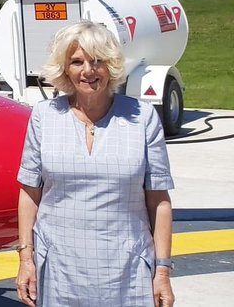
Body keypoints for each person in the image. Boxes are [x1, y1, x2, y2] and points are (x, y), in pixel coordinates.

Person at [15, 20, 175, 307]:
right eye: (77, 61)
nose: (88, 70)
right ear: (65, 68)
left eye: (97, 61)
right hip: (59, 270)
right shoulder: (43, 116)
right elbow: (29, 195)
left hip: (127, 270)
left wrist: (162, 270)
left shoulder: (143, 117)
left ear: (111, 66)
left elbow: (159, 201)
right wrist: (26, 259)